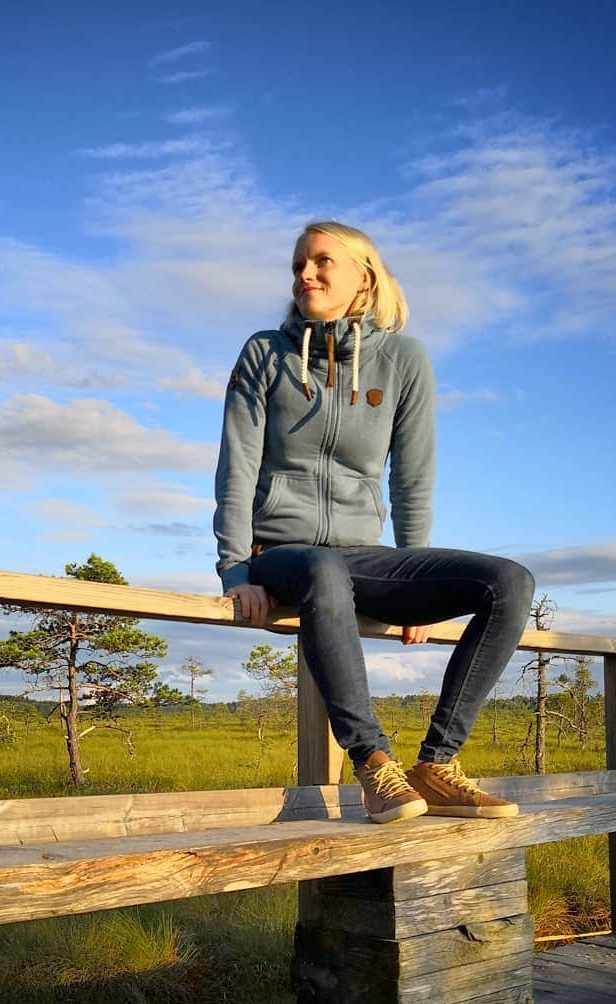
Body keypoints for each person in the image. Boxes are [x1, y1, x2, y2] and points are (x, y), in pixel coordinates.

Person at [214, 221, 535, 824]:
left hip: (365, 554)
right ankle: (373, 763)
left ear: (364, 275)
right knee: (324, 568)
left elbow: (412, 478)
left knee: (509, 582)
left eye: (320, 262)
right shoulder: (265, 352)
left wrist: (417, 593)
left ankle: (436, 765)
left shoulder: (404, 360)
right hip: (282, 552)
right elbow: (237, 466)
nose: (304, 275)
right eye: (297, 267)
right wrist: (235, 571)